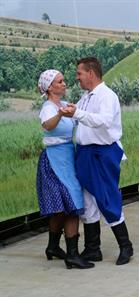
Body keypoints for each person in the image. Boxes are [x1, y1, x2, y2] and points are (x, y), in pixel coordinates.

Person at [60, 57, 133, 265]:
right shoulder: (86, 97)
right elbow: (80, 118)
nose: (77, 78)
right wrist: (67, 113)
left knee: (107, 198)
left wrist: (78, 113)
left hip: (102, 153)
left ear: (91, 73)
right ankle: (93, 249)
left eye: (79, 74)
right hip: (85, 153)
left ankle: (126, 246)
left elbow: (103, 121)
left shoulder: (107, 96)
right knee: (88, 201)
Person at [36, 69, 94, 269]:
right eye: (60, 82)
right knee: (72, 204)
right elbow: (48, 125)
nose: (64, 84)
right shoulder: (49, 107)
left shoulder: (63, 105)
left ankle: (53, 247)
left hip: (68, 156)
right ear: (50, 87)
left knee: (62, 207)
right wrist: (60, 114)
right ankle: (72, 255)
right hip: (55, 159)